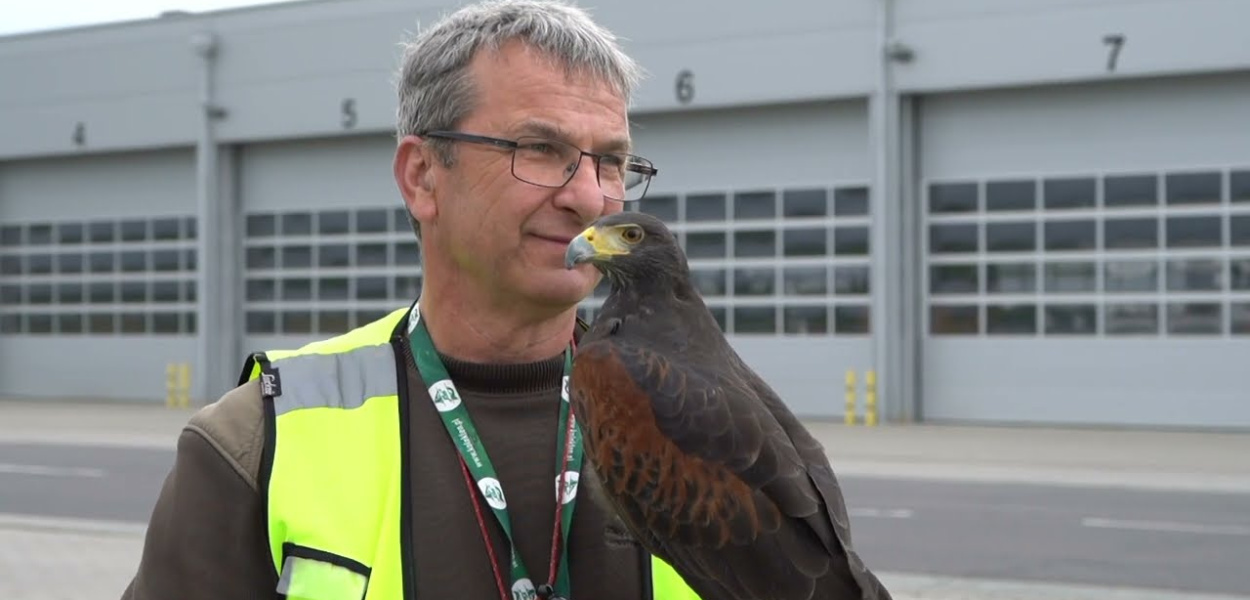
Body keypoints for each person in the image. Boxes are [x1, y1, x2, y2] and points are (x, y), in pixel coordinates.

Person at [121, 1, 697, 599]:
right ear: (422, 175)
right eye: (539, 149)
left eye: (611, 161)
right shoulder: (257, 442)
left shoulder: (716, 430)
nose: (589, 196)